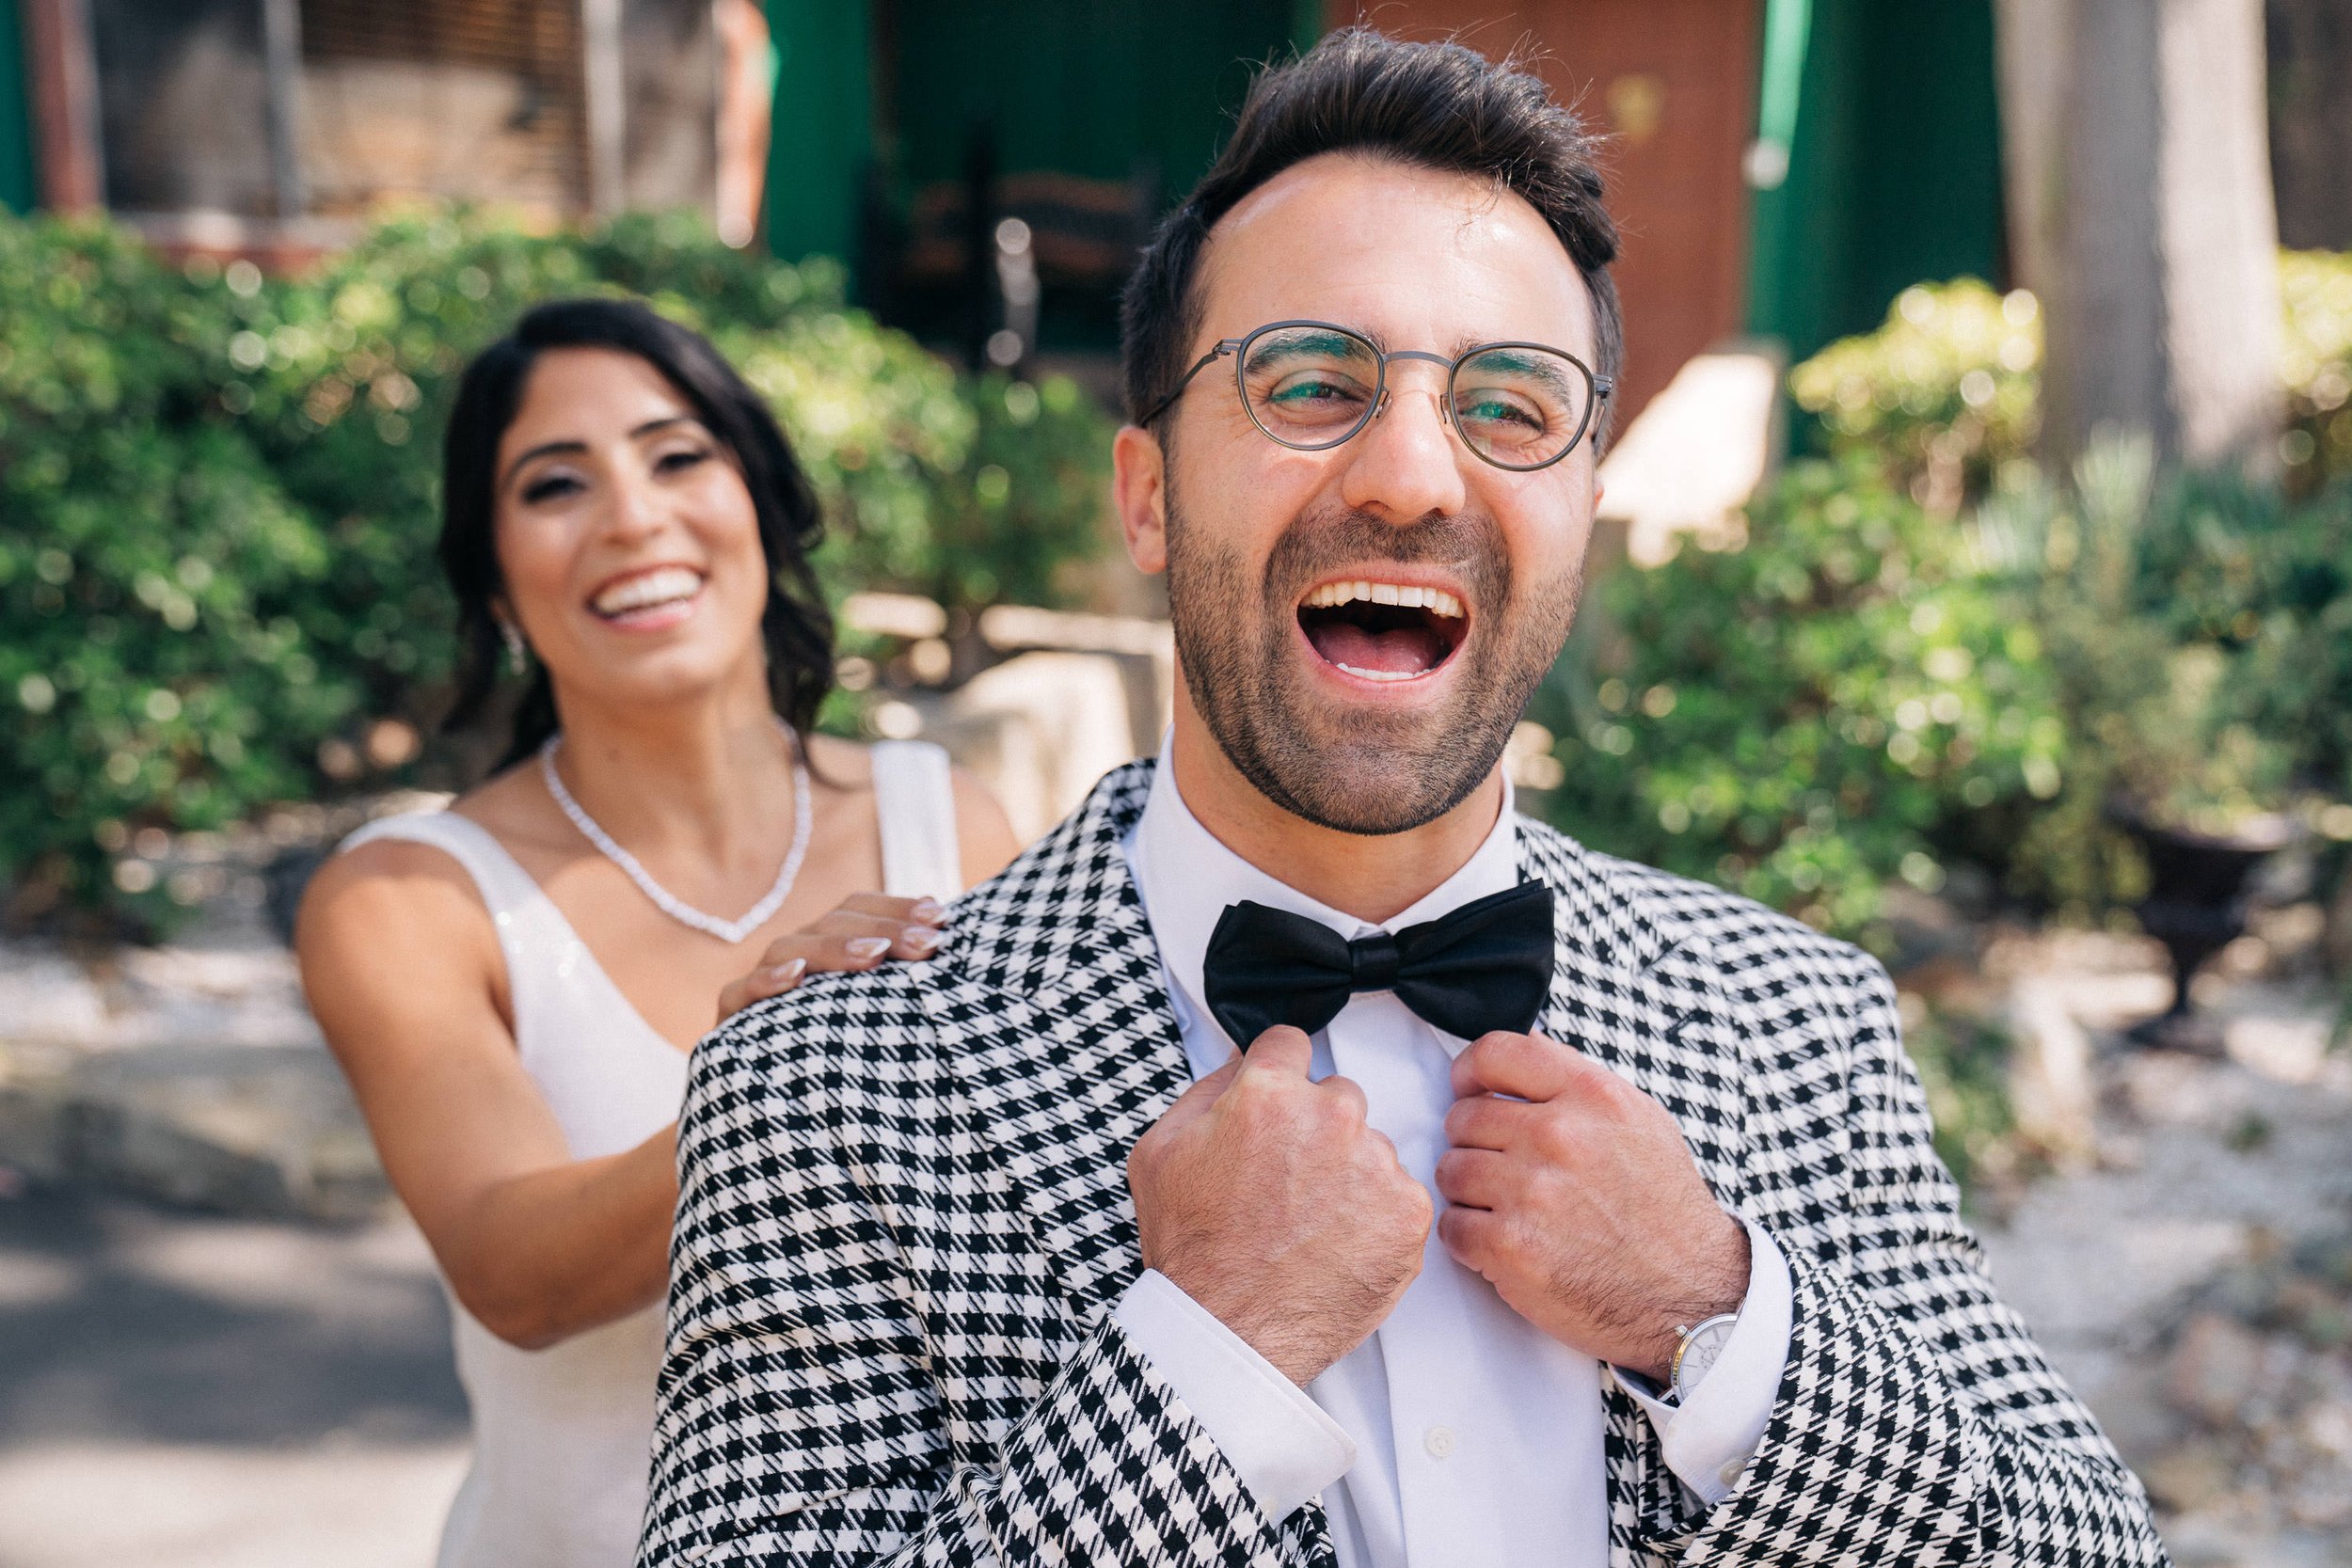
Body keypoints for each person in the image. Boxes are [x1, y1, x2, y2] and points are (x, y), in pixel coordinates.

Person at [642, 31, 2166, 1568]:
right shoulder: (824, 1094)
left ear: (1581, 500)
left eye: (1512, 407)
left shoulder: (1799, 1023)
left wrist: (1716, 1312)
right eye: (1310, 383)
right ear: (1149, 492)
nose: (1415, 479)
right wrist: (1205, 1364)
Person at [295, 297, 1019, 1568]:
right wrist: (768, 1092)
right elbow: (516, 1274)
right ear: (495, 579)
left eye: (678, 456)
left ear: (757, 501)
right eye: (555, 485)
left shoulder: (948, 825)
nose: (634, 516)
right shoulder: (407, 897)